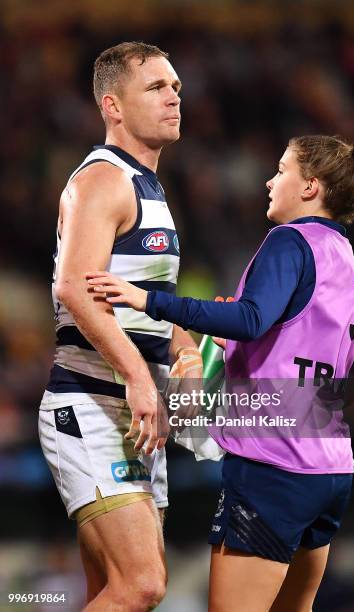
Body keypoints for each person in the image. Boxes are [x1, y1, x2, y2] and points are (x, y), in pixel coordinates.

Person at [86, 133, 354, 612]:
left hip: (274, 466)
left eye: (281, 170)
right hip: (330, 467)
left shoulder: (290, 241)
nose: (270, 180)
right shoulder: (350, 264)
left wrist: (149, 300)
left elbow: (252, 320)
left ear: (310, 187)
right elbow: (294, 343)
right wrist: (228, 338)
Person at [38, 41, 203, 611]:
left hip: (133, 416)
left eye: (176, 87)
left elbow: (148, 305)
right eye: (156, 88)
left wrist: (184, 354)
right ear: (112, 106)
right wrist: (137, 375)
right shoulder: (104, 179)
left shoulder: (150, 185)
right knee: (143, 585)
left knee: (111, 592)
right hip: (90, 403)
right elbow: (72, 286)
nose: (173, 98)